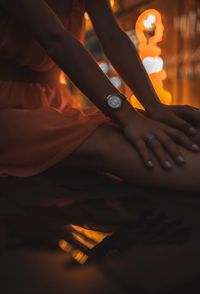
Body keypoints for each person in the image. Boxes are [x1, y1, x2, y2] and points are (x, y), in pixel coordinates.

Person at [0, 0, 199, 191]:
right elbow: (55, 39)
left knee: (162, 131)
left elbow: (112, 35)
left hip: (55, 103)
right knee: (112, 142)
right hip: (8, 110)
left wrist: (155, 108)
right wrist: (128, 117)